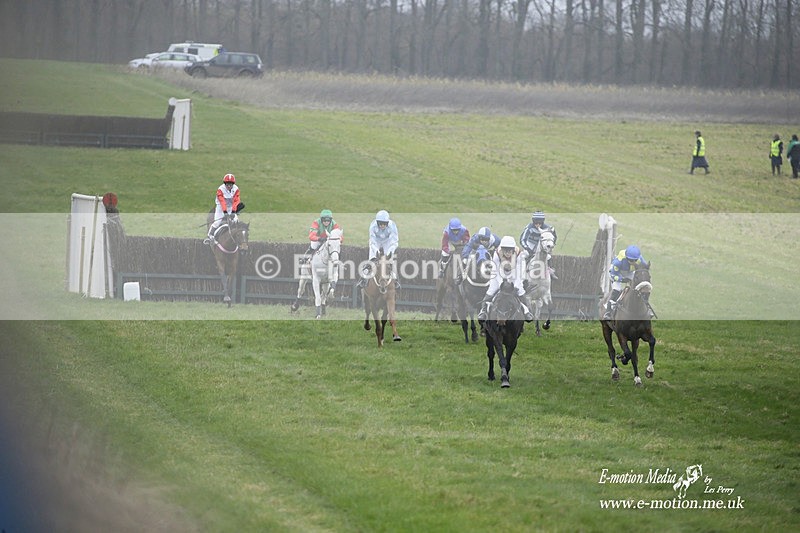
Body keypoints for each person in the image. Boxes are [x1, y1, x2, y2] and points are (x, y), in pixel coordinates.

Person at [477, 236, 534, 322]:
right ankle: (483, 311)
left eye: (509, 250)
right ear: (502, 249)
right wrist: (501, 284)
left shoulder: (519, 255)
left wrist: (515, 286)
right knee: (491, 291)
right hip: (498, 275)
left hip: (515, 274)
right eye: (505, 250)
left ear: (513, 249)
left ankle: (527, 312)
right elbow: (495, 270)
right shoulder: (496, 254)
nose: (507, 253)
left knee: (521, 291)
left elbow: (520, 273)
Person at [603, 245, 654, 319]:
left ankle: (647, 307)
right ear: (626, 258)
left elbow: (643, 269)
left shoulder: (640, 259)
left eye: (635, 260)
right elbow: (612, 274)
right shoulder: (618, 262)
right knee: (616, 289)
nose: (633, 262)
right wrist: (622, 279)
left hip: (630, 272)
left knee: (641, 286)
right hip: (617, 273)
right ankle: (608, 311)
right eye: (631, 260)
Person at [358, 210, 400, 288]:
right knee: (371, 260)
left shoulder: (392, 226)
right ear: (377, 222)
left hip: (387, 241)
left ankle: (396, 281)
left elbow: (394, 242)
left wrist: (390, 252)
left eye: (384, 223)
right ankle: (363, 280)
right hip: (376, 241)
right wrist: (376, 251)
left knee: (390, 261)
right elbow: (373, 242)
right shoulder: (373, 226)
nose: (382, 225)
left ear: (387, 223)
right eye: (380, 223)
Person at [205, 173, 241, 245]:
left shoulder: (236, 189)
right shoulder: (220, 189)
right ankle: (209, 236)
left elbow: (236, 200)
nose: (229, 186)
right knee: (217, 222)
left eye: (231, 184)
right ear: (225, 184)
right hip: (220, 207)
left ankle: (239, 237)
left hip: (230, 206)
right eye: (227, 184)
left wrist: (233, 211)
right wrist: (225, 212)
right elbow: (222, 201)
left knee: (236, 220)